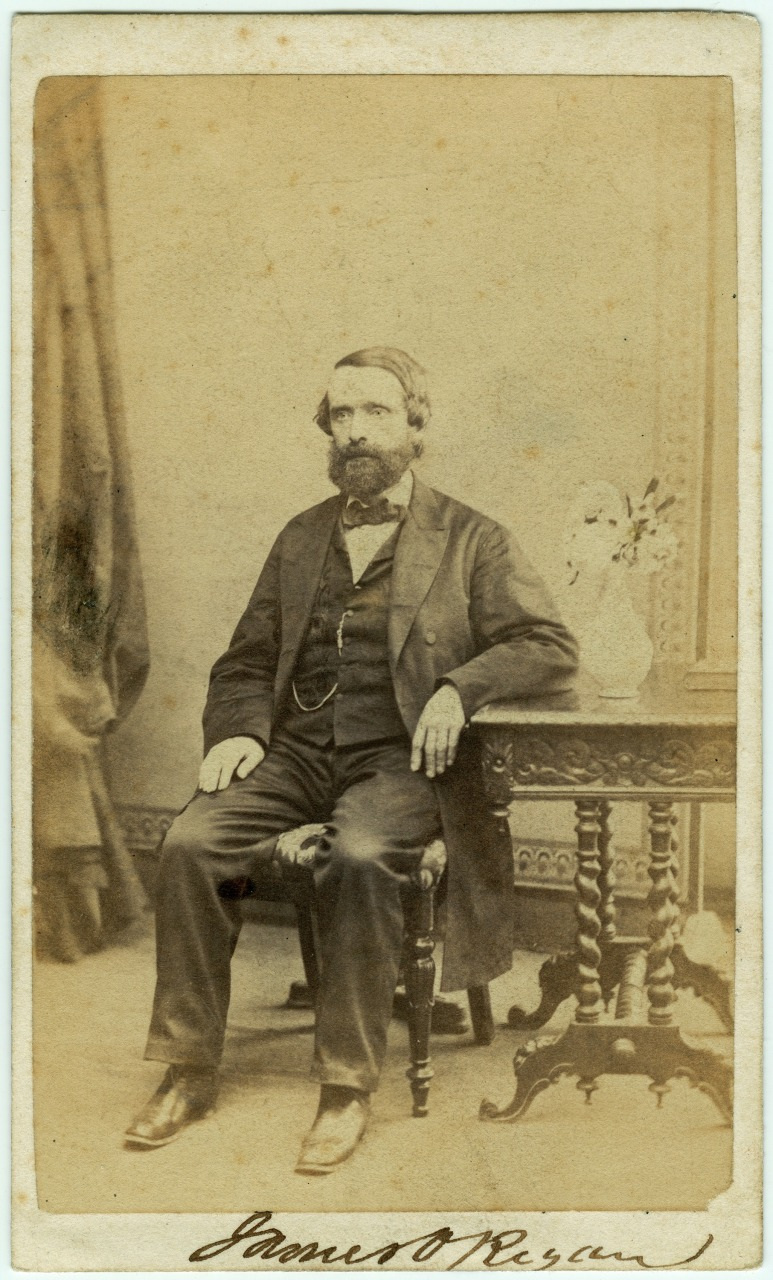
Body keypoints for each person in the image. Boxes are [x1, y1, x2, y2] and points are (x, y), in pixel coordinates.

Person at [125, 347, 578, 1172]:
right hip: (294, 751)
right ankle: (187, 1068)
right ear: (326, 431)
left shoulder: (472, 537)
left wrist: (456, 689)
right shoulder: (301, 537)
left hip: (400, 759)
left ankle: (345, 1086)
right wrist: (236, 729)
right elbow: (245, 661)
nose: (357, 432)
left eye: (374, 412)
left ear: (415, 421)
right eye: (341, 415)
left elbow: (548, 644)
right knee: (193, 844)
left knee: (363, 856)